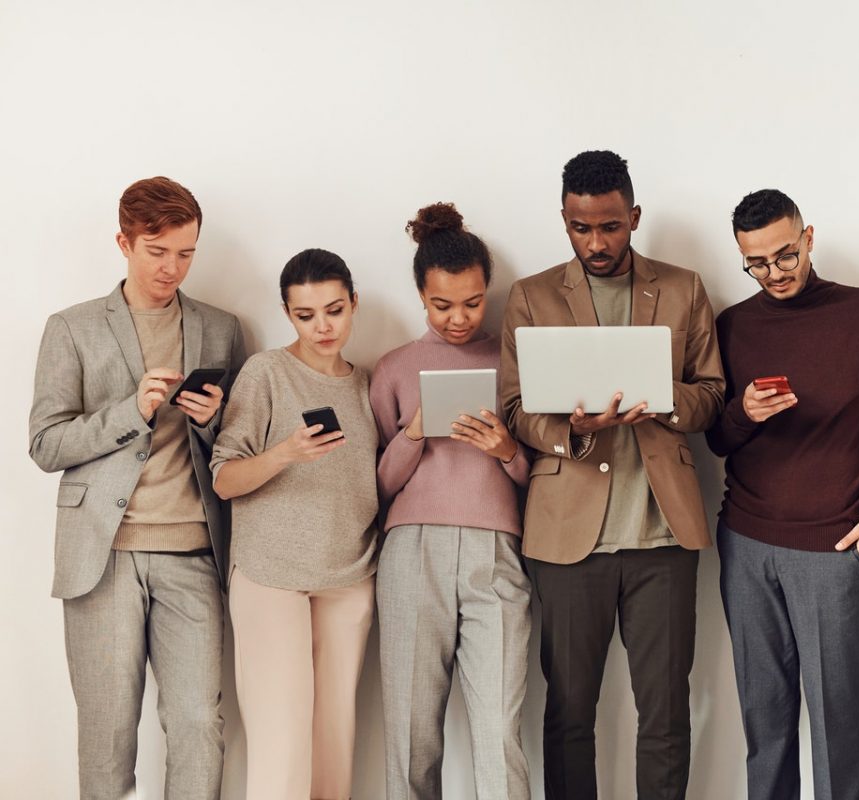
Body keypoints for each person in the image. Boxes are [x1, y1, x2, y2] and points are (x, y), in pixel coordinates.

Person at [500, 150, 724, 800]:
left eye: (610, 227)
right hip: (568, 539)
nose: (596, 243)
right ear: (565, 221)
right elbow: (515, 409)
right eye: (580, 228)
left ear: (634, 216)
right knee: (570, 714)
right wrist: (572, 429)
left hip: (663, 537)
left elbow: (712, 393)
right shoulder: (533, 296)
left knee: (664, 713)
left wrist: (665, 400)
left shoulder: (683, 288)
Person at [28, 176, 244, 799]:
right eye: (158, 251)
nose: (172, 267)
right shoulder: (70, 328)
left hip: (193, 554)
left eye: (186, 253)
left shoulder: (221, 328)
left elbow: (239, 441)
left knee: (200, 723)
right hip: (103, 556)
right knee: (107, 735)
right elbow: (45, 444)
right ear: (123, 242)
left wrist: (212, 422)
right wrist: (132, 411)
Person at [705, 189, 859, 800]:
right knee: (763, 723)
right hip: (746, 544)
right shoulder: (734, 324)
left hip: (836, 544)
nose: (774, 273)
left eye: (785, 255)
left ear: (809, 237)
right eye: (757, 264)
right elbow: (716, 439)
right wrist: (742, 412)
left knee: (837, 724)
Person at [370, 202, 532, 800]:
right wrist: (414, 434)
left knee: (499, 728)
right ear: (420, 294)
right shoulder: (393, 368)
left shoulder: (512, 362)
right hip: (413, 552)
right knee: (411, 733)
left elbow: (536, 475)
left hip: (498, 552)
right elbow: (380, 486)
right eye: (442, 305)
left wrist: (505, 447)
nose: (458, 318)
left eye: (472, 302)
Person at [211, 248, 377, 800]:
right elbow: (224, 479)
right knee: (282, 746)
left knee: (334, 745)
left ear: (354, 304)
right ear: (288, 313)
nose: (322, 326)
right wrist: (284, 453)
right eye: (306, 315)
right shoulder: (266, 372)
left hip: (348, 577)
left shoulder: (368, 385)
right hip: (270, 577)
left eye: (334, 310)